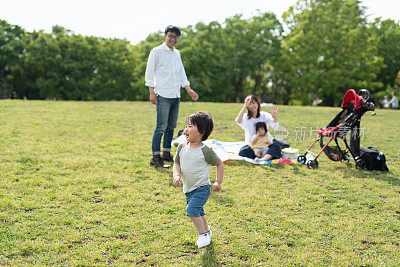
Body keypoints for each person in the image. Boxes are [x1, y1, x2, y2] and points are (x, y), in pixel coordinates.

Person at [145, 25, 199, 168]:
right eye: (170, 36)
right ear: (165, 36)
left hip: (176, 95)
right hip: (163, 94)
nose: (173, 39)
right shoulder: (156, 51)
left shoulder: (177, 54)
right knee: (161, 126)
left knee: (171, 126)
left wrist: (188, 89)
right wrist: (151, 91)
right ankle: (155, 157)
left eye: (176, 37)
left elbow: (181, 73)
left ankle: (166, 153)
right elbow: (149, 72)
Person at [173, 112, 224, 248]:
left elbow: (219, 163)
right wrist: (176, 175)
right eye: (186, 126)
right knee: (199, 211)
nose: (185, 129)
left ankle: (202, 236)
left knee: (191, 211)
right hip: (188, 188)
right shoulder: (182, 147)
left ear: (201, 132)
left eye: (190, 126)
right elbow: (176, 163)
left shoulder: (205, 151)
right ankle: (207, 232)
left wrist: (218, 182)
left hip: (202, 187)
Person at [235, 94, 281, 160]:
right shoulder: (245, 117)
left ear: (258, 103)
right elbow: (238, 121)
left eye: (253, 103)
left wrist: (275, 117)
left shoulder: (264, 115)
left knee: (276, 147)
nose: (252, 106)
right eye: (249, 104)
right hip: (253, 145)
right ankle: (263, 155)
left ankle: (263, 158)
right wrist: (244, 107)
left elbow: (275, 126)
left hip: (265, 144)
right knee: (243, 151)